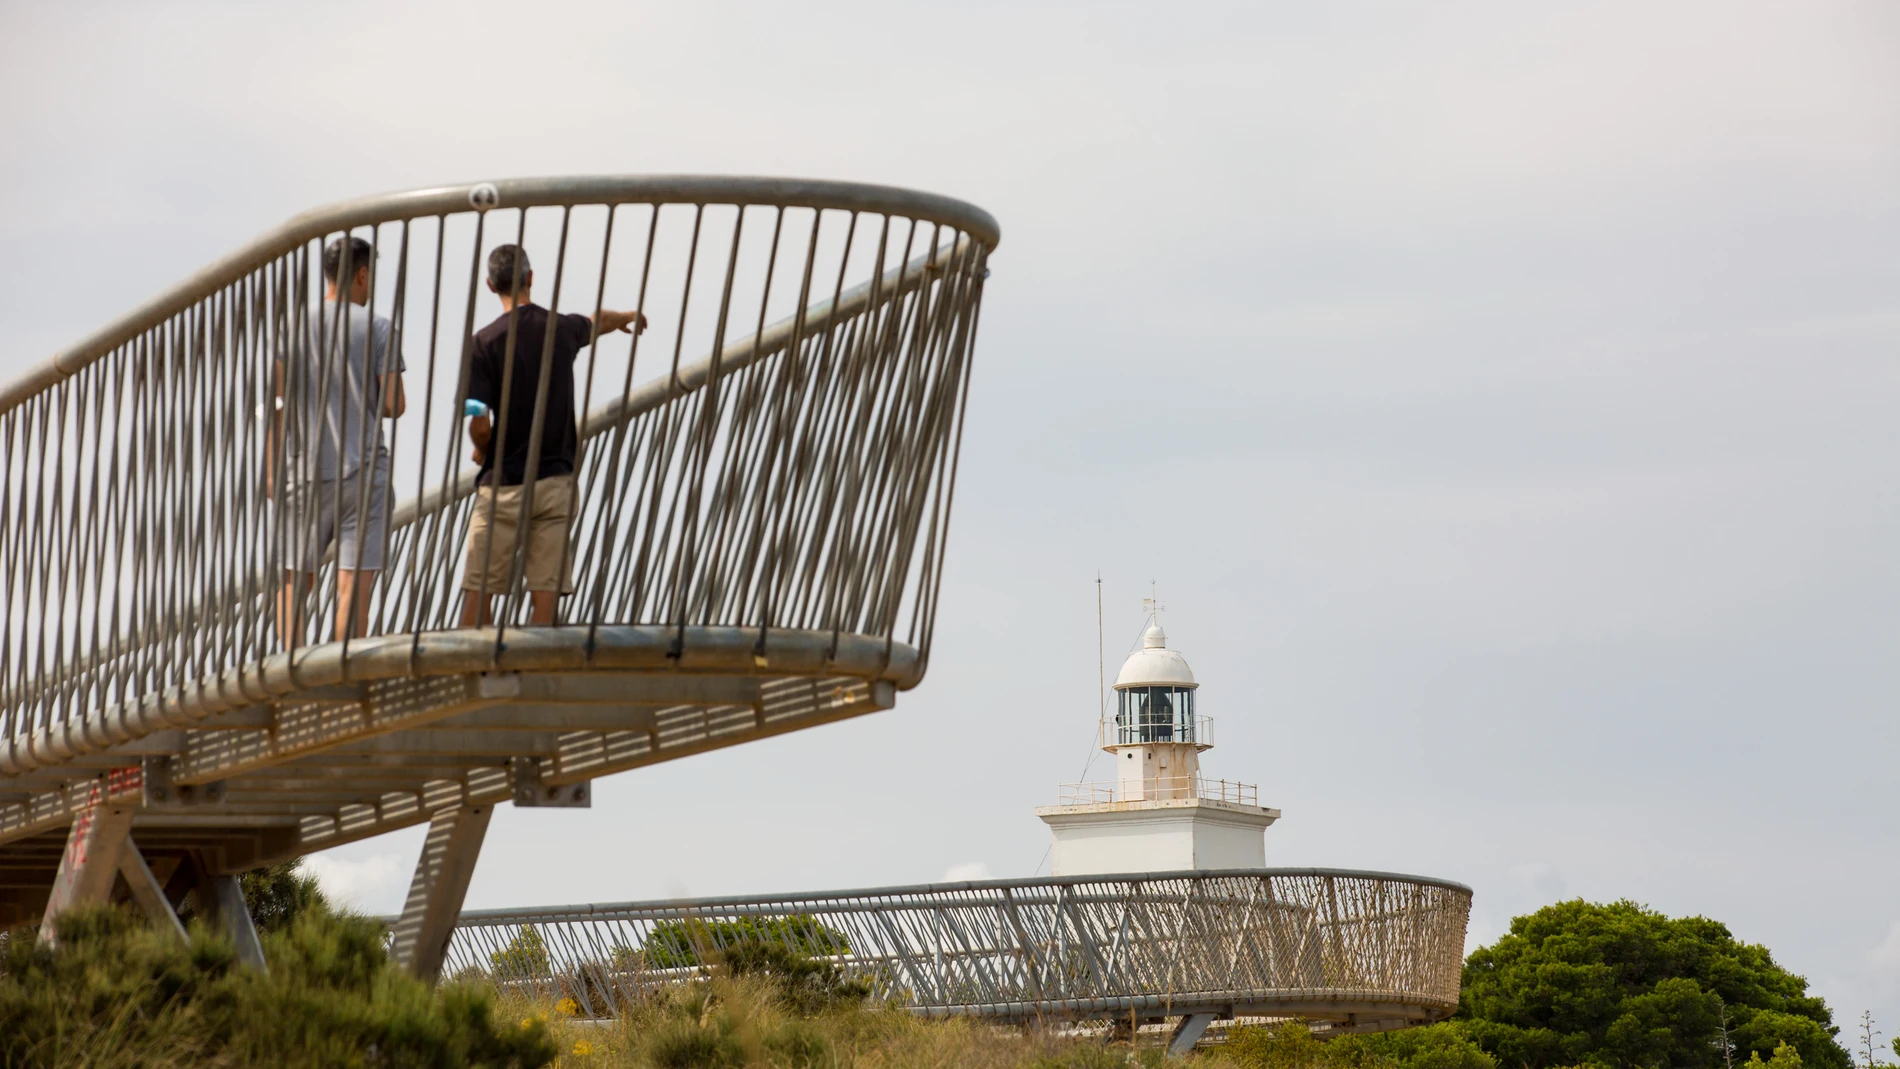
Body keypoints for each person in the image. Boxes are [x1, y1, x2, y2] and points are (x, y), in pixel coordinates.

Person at [460, 244, 645, 627]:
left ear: (491, 286)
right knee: (545, 599)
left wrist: (485, 448)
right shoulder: (561, 328)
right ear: (530, 278)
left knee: (478, 599)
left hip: (503, 486)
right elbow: (598, 320)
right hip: (554, 483)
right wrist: (627, 316)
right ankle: (531, 679)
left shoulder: (482, 344)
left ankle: (472, 676)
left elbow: (477, 420)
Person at [273, 236, 406, 645]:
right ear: (361, 275)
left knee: (296, 580)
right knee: (353, 585)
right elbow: (394, 404)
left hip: (303, 472)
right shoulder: (380, 327)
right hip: (364, 473)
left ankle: (290, 677)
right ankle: (343, 674)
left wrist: (270, 472)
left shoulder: (293, 327)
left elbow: (277, 401)